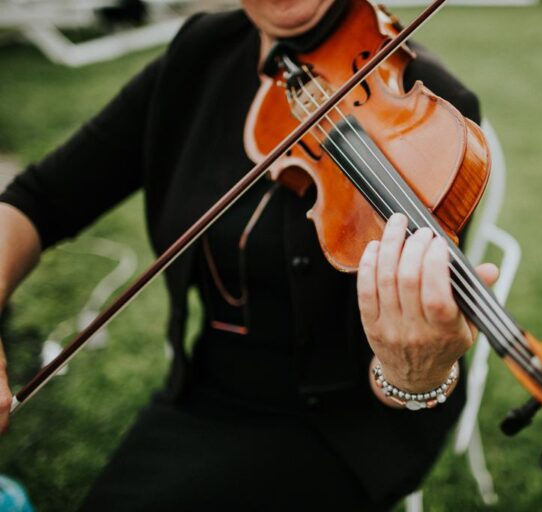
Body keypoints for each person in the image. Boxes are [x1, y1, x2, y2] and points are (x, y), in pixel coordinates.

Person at [0, 0, 498, 509]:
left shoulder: (434, 104)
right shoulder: (202, 53)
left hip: (347, 426)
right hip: (206, 394)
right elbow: (39, 200)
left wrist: (412, 374)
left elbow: (407, 377)